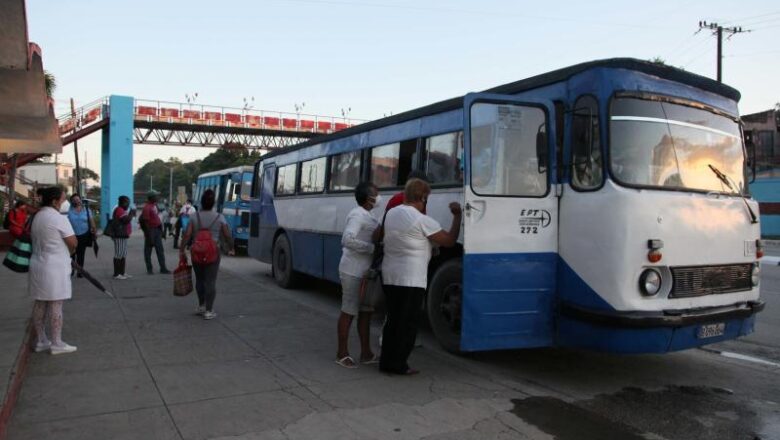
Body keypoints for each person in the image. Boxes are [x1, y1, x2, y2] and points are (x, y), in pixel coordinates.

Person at [379, 178, 462, 375]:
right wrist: (457, 216)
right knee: (407, 323)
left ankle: (386, 361)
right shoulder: (421, 220)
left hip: (390, 275)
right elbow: (449, 241)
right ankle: (399, 365)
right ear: (423, 197)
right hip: (411, 278)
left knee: (393, 320)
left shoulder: (391, 213)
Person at [335, 182, 381, 368]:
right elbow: (347, 239)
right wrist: (370, 248)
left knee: (366, 313)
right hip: (352, 270)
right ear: (368, 198)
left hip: (365, 272)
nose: (378, 196)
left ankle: (366, 353)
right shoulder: (357, 215)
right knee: (349, 311)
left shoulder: (369, 216)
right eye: (376, 194)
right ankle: (342, 353)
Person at [29, 186, 78, 355]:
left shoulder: (37, 216)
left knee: (40, 303)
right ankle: (57, 342)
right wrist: (69, 253)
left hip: (37, 263)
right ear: (55, 201)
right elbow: (73, 243)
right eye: (64, 199)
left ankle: (42, 340)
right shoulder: (58, 219)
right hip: (54, 266)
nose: (65, 202)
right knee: (56, 304)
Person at [179, 189, 233, 320]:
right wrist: (231, 247)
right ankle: (209, 310)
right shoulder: (219, 217)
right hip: (213, 251)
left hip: (196, 251)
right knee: (210, 281)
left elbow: (187, 235)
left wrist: (182, 249)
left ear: (201, 203)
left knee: (200, 279)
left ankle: (201, 305)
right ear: (213, 203)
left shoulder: (193, 217)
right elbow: (227, 235)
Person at [140, 193, 170, 275]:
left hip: (157, 230)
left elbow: (157, 218)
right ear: (151, 197)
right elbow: (146, 222)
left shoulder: (154, 206)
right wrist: (148, 234)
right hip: (151, 230)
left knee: (160, 250)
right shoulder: (147, 208)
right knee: (148, 251)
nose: (157, 197)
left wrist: (162, 232)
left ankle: (163, 268)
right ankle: (149, 269)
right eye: (155, 196)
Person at [67, 194, 96, 277]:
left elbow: (91, 221)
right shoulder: (69, 210)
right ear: (71, 201)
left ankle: (80, 271)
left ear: (80, 200)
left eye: (78, 199)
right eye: (74, 200)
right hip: (72, 235)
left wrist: (94, 230)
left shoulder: (86, 209)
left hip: (84, 234)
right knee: (72, 254)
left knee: (81, 253)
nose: (76, 201)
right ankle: (71, 270)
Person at [112, 196, 136, 279]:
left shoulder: (123, 210)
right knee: (118, 254)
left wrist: (130, 213)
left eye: (128, 202)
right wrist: (131, 213)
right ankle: (116, 274)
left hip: (123, 235)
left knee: (123, 254)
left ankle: (122, 273)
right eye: (126, 202)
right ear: (122, 202)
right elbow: (126, 220)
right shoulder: (119, 210)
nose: (128, 204)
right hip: (119, 235)